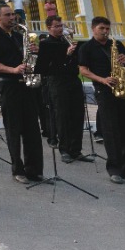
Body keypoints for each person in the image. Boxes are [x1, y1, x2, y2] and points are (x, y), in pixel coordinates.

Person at [76, 17, 125, 184]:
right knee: (111, 130)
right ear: (93, 29)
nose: (106, 31)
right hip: (104, 90)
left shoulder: (117, 44)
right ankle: (114, 169)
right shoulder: (86, 47)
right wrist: (102, 79)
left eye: (107, 28)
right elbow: (83, 70)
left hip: (123, 90)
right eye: (102, 28)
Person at [0, 4, 44, 183]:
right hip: (8, 86)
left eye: (13, 15)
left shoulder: (19, 36)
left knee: (32, 129)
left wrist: (33, 54)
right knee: (14, 129)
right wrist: (13, 69)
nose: (12, 18)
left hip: (26, 86)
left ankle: (34, 169)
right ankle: (18, 169)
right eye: (8, 15)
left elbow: (28, 61)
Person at [37, 15, 89, 164]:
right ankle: (64, 149)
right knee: (62, 116)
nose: (61, 29)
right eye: (57, 26)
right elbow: (45, 67)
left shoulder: (67, 41)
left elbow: (79, 62)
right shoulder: (46, 44)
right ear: (49, 28)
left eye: (61, 26)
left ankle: (76, 150)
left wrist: (75, 51)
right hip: (57, 82)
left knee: (78, 115)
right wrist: (65, 54)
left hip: (73, 80)